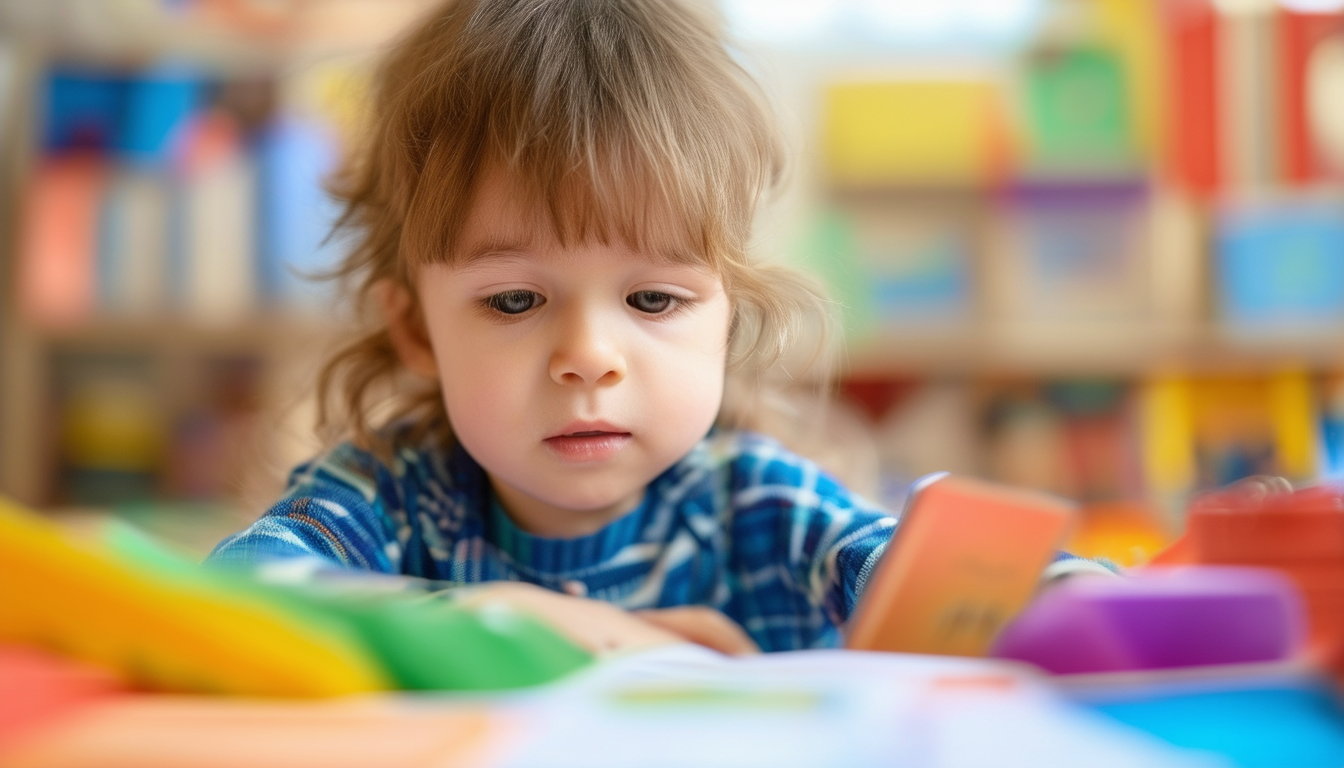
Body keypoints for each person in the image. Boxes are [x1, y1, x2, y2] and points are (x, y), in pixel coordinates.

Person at [208, 0, 1106, 657]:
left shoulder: (754, 504)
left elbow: (933, 578)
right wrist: (560, 626)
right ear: (415, 334)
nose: (589, 359)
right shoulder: (396, 495)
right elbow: (234, 592)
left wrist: (1073, 597)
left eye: (653, 301)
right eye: (515, 301)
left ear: (725, 316)